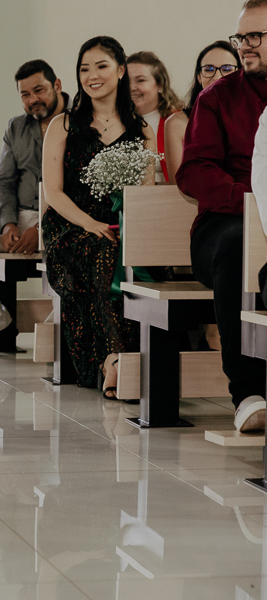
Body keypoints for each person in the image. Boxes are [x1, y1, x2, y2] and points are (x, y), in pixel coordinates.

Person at [41, 36, 155, 397]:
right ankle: (116, 359)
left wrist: (127, 227)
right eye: (84, 68)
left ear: (121, 71)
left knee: (134, 258)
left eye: (101, 66)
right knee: (104, 253)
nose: (92, 75)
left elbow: (146, 193)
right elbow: (53, 192)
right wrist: (89, 224)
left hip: (122, 225)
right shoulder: (63, 125)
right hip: (70, 226)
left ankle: (135, 362)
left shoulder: (142, 131)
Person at [177, 0, 267, 433]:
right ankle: (248, 392)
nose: (244, 48)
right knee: (238, 246)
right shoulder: (218, 98)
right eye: (241, 38)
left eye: (255, 37)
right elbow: (193, 170)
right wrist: (251, 201)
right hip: (226, 222)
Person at [0, 59, 69, 357]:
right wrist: (9, 223)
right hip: (19, 214)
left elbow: (81, 189)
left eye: (39, 90)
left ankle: (60, 337)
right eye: (25, 94)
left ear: (57, 85)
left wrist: (43, 228)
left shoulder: (82, 120)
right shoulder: (16, 127)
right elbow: (3, 181)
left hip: (64, 218)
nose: (33, 99)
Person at [164, 41, 240, 184]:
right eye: (209, 69)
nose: (217, 77)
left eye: (227, 68)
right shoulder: (178, 123)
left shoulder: (256, 119)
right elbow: (179, 184)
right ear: (199, 77)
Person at [126, 51, 184, 183]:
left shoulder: (178, 122)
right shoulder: (114, 122)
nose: (131, 87)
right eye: (126, 81)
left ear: (160, 85)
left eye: (140, 80)